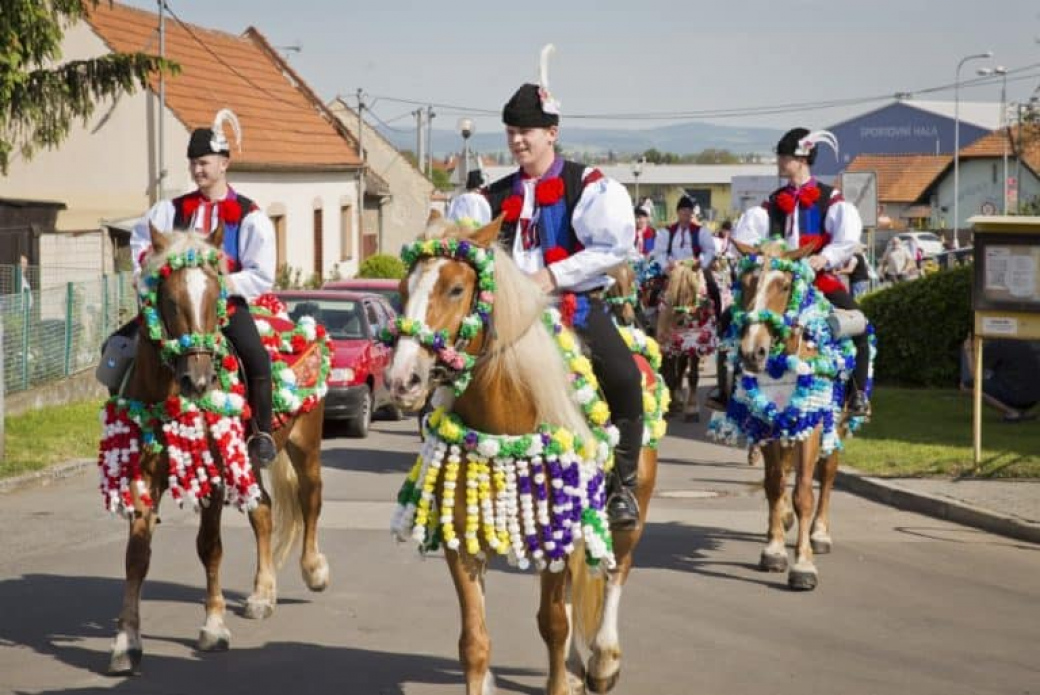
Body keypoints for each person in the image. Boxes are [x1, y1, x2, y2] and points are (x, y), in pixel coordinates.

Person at [446, 46, 644, 530]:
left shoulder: (590, 186)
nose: (517, 142)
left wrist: (552, 276)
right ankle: (447, 474)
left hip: (572, 306)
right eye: (511, 132)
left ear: (551, 133)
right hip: (508, 317)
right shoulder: (488, 198)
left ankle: (622, 486)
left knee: (624, 379)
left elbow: (612, 248)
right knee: (445, 377)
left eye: (526, 133)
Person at [124, 108, 279, 467]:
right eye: (193, 163)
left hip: (225, 304)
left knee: (256, 356)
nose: (198, 170)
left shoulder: (248, 215)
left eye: (205, 162)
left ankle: (262, 432)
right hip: (175, 307)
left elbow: (261, 273)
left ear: (224, 163)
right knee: (119, 347)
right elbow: (141, 247)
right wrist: (149, 276)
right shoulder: (169, 211)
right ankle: (129, 419)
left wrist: (218, 285)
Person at [714, 127, 871, 416]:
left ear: (802, 159)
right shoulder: (771, 203)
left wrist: (824, 258)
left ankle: (857, 395)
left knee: (859, 325)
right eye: (780, 155)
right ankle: (726, 391)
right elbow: (746, 239)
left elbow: (847, 238)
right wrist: (757, 256)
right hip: (776, 281)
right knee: (728, 321)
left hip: (817, 280)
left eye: (785, 156)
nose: (779, 160)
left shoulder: (831, 199)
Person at [960, 337, 1040, 422]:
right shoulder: (1021, 342)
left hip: (1018, 396)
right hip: (1033, 399)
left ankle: (1011, 413)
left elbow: (975, 375)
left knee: (966, 386)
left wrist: (968, 351)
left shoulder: (997, 344)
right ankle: (1024, 412)